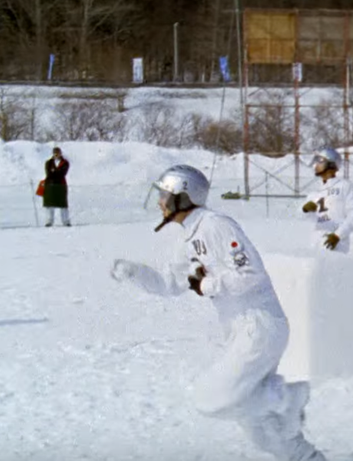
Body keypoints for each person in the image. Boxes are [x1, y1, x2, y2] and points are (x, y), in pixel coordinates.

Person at [110, 165, 326, 461]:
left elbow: (251, 275)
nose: (159, 201)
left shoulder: (216, 226)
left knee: (212, 400)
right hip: (241, 332)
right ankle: (305, 456)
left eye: (164, 194)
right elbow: (169, 283)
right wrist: (134, 273)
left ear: (183, 197)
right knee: (259, 428)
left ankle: (289, 396)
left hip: (259, 325)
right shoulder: (188, 239)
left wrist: (207, 284)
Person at [301, 148, 353, 253]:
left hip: (336, 243)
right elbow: (306, 219)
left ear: (331, 164)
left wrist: (338, 235)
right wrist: (305, 210)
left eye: (320, 161)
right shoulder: (315, 192)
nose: (315, 165)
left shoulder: (345, 186)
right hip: (316, 242)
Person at [43, 147, 71, 227]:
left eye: (58, 153)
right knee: (50, 205)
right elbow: (48, 173)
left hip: (61, 185)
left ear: (60, 153)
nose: (56, 154)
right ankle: (49, 221)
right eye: (55, 153)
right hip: (50, 185)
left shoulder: (65, 163)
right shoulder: (48, 162)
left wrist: (54, 172)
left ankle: (66, 221)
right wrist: (55, 173)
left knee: (63, 204)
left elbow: (63, 173)